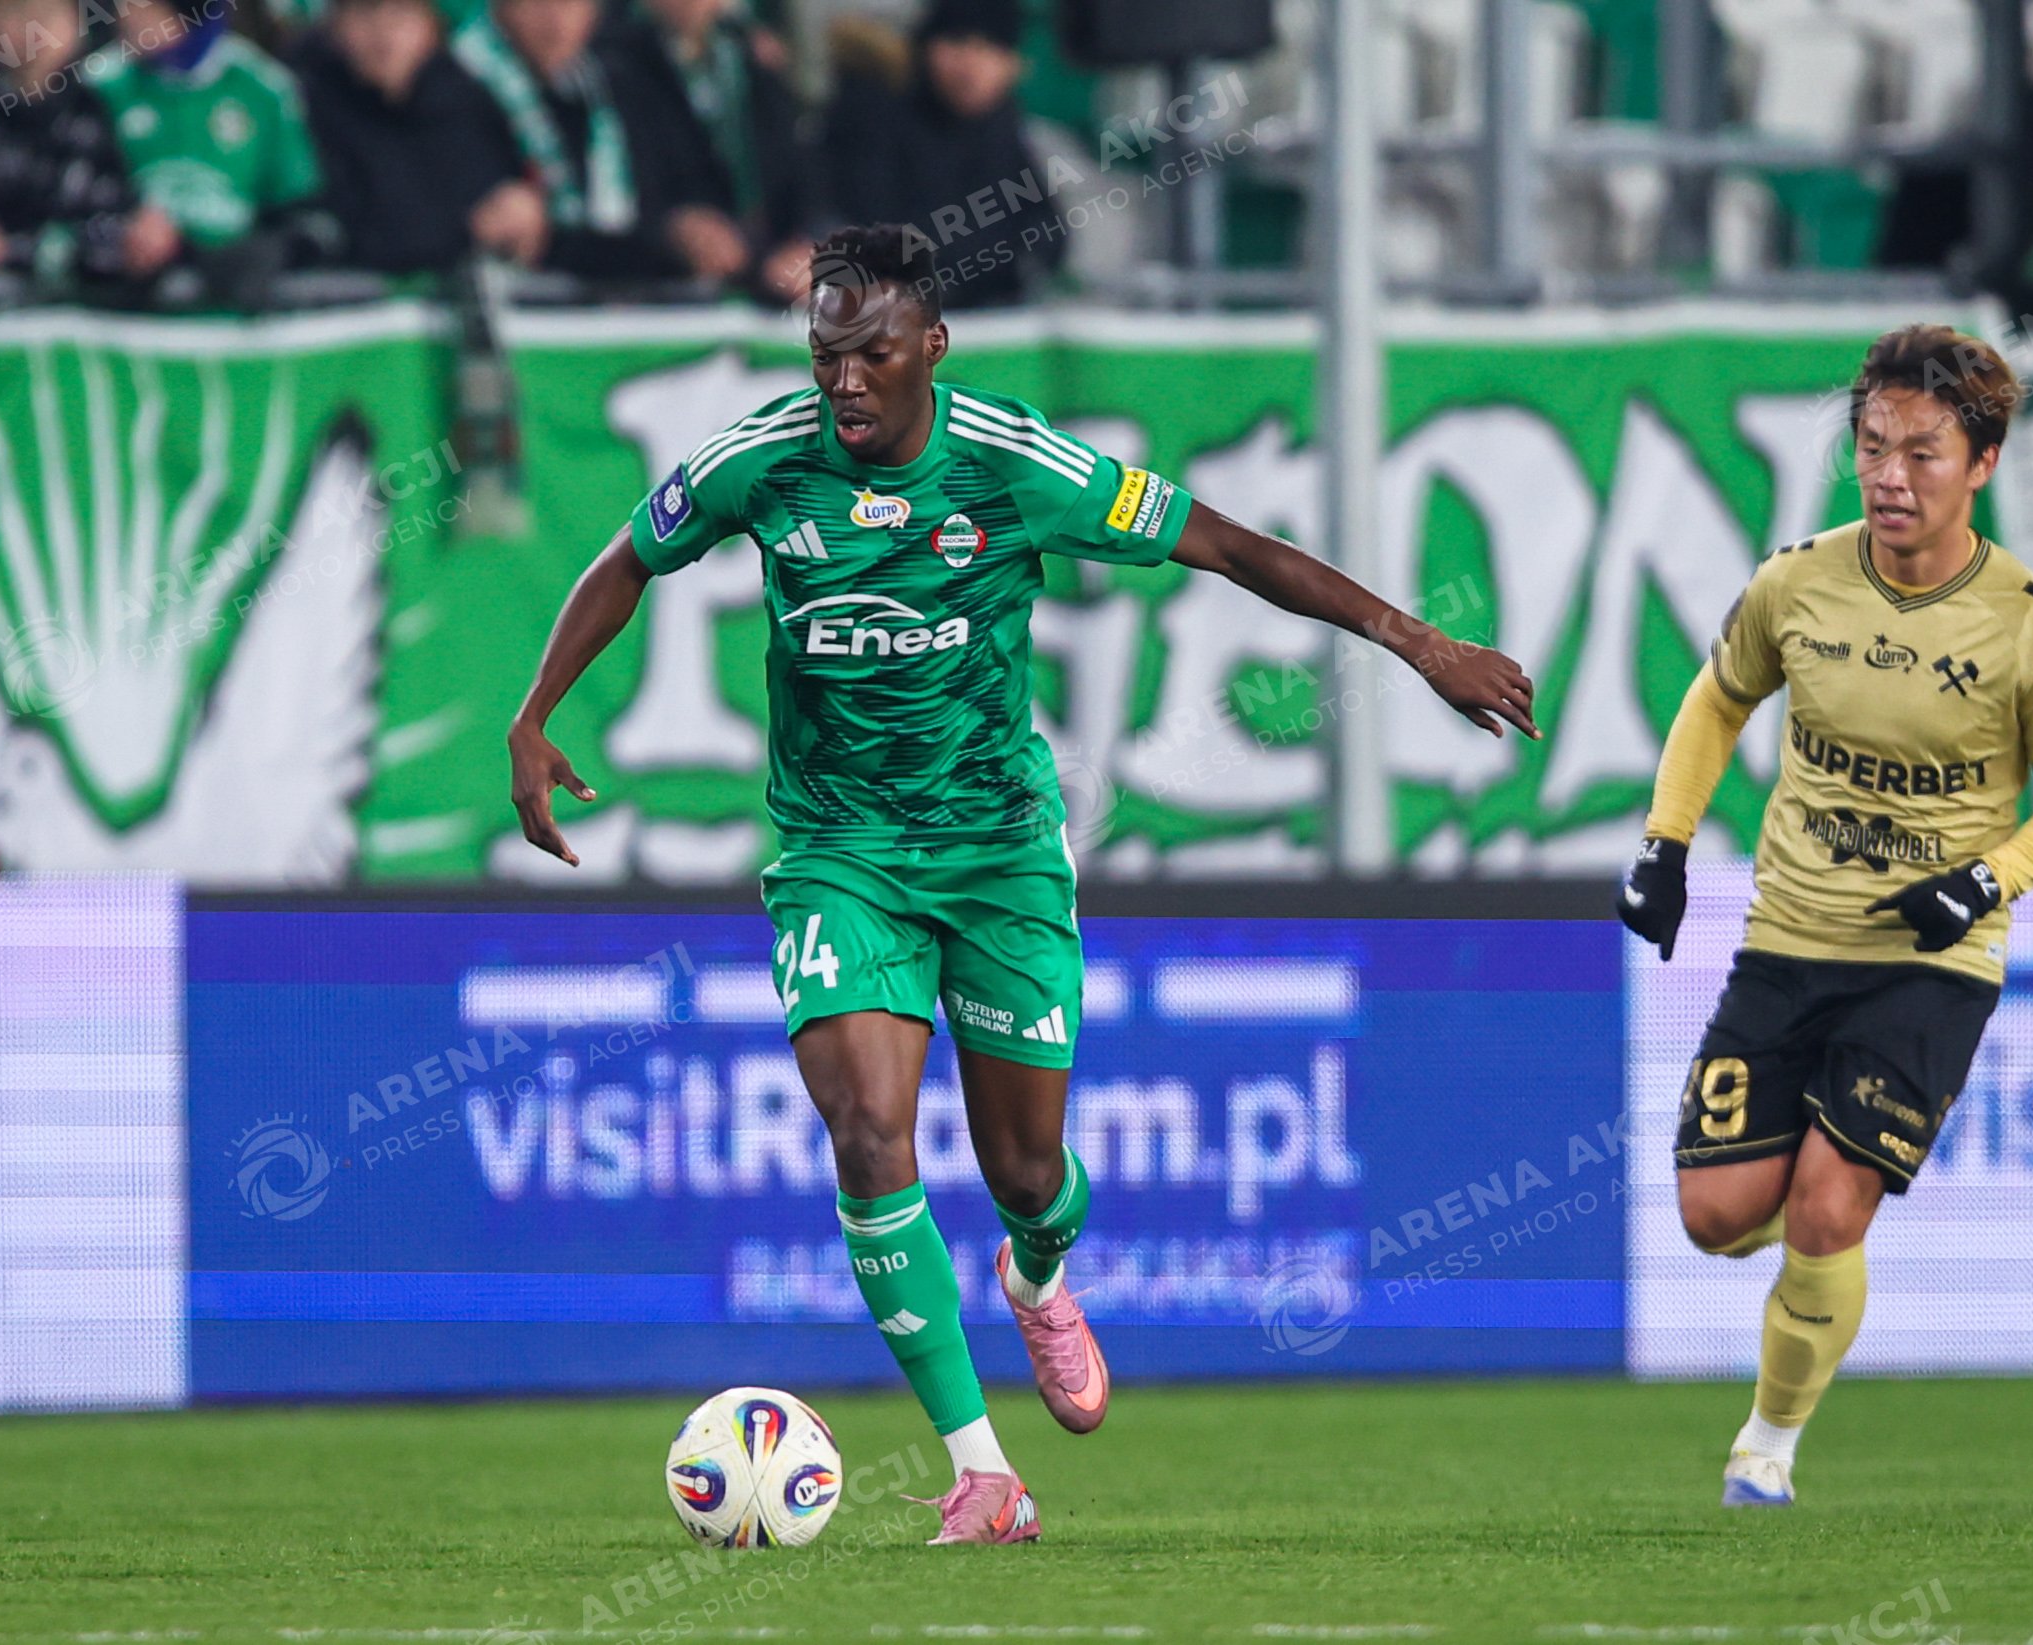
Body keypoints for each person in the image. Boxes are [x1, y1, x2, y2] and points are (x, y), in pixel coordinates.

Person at [507, 224, 1538, 1544]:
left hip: (997, 854)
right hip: (840, 851)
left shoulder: (1012, 464)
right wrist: (535, 713)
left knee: (1026, 1168)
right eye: (825, 354)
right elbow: (626, 561)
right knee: (867, 1130)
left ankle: (1038, 1274)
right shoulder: (759, 462)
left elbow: (1226, 546)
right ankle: (981, 1471)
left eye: (873, 353)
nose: (845, 380)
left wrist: (1419, 642)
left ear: (932, 346)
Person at [1616, 324, 2033, 1508]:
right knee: (1712, 1214)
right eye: (1872, 446)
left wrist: (1983, 880)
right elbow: (1715, 702)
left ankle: (1765, 1449)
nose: (1889, 476)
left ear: (1980, 463)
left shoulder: (2029, 626)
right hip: (1787, 942)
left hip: (1931, 962)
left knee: (1828, 1203)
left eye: (1921, 453)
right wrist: (1665, 846)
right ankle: (1799, 1221)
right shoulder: (1794, 583)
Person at [453, 0, 742, 285]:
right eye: (540, 4)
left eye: (573, 5)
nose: (556, 23)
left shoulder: (618, 84)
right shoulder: (459, 86)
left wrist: (680, 230)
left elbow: (662, 196)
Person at [0, 0, 180, 287]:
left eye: (49, 15)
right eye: (15, 12)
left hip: (71, 301)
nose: (33, 31)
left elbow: (116, 215)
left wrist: (141, 238)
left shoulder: (99, 112)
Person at [86, 0, 336, 288]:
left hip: (235, 289)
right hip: (125, 289)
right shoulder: (100, 84)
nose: (126, 17)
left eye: (147, 7)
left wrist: (265, 251)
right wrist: (121, 232)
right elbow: (76, 197)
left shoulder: (264, 87)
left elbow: (299, 205)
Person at [822, 0, 1056, 308]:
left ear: (1013, 65)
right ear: (925, 49)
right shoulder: (872, 119)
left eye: (989, 49)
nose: (970, 64)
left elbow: (1046, 231)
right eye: (956, 42)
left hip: (992, 316)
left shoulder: (1006, 128)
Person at [292, 0, 547, 274]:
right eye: (366, 10)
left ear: (433, 26)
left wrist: (524, 216)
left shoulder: (468, 104)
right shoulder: (300, 108)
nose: (384, 32)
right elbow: (333, 235)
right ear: (334, 23)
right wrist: (467, 232)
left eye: (402, 12)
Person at [597, 0, 815, 301]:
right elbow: (620, 179)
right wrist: (671, 227)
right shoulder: (613, 64)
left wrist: (804, 239)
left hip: (763, 277)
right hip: (664, 285)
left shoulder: (751, 62)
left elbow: (800, 172)